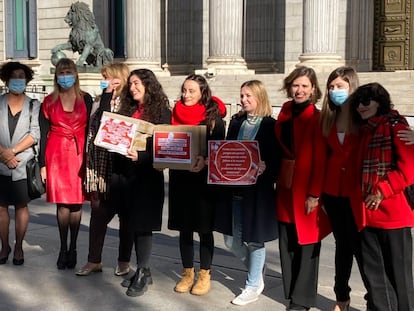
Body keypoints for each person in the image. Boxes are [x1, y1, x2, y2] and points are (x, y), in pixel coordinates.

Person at [349, 82, 414, 311]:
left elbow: (408, 169)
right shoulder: (365, 130)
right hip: (367, 215)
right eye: (358, 103)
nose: (361, 107)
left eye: (366, 101)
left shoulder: (397, 126)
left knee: (400, 278)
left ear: (380, 102)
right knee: (376, 278)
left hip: (393, 214)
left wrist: (381, 190)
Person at [214, 80, 278, 305]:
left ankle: (252, 285)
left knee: (254, 240)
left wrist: (266, 166)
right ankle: (257, 268)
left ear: (260, 97)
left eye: (248, 96)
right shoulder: (236, 122)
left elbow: (275, 159)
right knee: (231, 241)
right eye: (242, 96)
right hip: (233, 189)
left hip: (256, 192)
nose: (244, 100)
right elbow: (227, 150)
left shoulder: (270, 125)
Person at [274, 66, 331, 311]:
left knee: (307, 245)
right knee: (287, 242)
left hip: (306, 189)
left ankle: (302, 300)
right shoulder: (284, 113)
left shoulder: (317, 118)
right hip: (285, 187)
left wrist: (314, 194)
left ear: (313, 90)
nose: (299, 90)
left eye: (305, 86)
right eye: (296, 85)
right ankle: (291, 292)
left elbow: (320, 160)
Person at [111, 69, 171, 297]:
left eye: (137, 83)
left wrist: (142, 157)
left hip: (147, 177)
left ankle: (143, 271)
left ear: (148, 85)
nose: (133, 87)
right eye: (131, 84)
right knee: (132, 224)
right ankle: (142, 270)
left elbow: (165, 148)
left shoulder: (162, 112)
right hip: (125, 176)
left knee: (144, 226)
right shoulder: (128, 110)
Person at [319, 67, 372, 311]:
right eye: (331, 87)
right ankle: (342, 297)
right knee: (342, 247)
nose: (334, 91)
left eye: (339, 86)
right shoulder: (328, 117)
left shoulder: (364, 117)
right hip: (332, 193)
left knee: (362, 248)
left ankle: (374, 297)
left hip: (356, 193)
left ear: (352, 87)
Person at [169, 74, 226, 296]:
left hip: (203, 181)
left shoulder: (213, 115)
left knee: (204, 229)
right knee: (184, 228)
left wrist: (206, 159)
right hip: (180, 179)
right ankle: (187, 273)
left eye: (191, 91)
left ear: (202, 92)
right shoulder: (174, 113)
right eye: (184, 90)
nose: (186, 95)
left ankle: (204, 274)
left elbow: (220, 146)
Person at [76, 62, 134, 277]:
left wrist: (109, 96)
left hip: (120, 166)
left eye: (108, 77)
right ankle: (93, 260)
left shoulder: (129, 102)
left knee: (126, 218)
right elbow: (95, 124)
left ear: (119, 78)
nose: (105, 81)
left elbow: (107, 121)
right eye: (103, 77)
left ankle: (124, 260)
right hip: (99, 166)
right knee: (98, 215)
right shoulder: (100, 99)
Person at [39, 58, 93, 270]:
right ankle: (63, 247)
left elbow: (92, 128)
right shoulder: (49, 101)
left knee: (77, 203)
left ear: (75, 74)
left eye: (68, 72)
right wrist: (42, 163)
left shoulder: (87, 99)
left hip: (79, 154)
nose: (65, 76)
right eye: (61, 73)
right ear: (56, 76)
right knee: (62, 203)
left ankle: (74, 248)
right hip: (57, 154)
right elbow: (44, 133)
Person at [0, 61, 40, 266]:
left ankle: (18, 247)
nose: (18, 80)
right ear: (6, 80)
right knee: (1, 207)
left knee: (21, 206)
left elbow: (35, 134)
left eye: (21, 77)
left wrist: (12, 152)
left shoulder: (34, 105)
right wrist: (3, 154)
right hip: (0, 162)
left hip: (22, 162)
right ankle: (4, 245)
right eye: (14, 76)